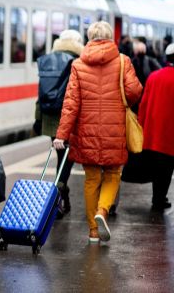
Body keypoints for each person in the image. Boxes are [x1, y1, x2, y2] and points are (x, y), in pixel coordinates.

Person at [54, 21, 142, 243]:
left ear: (89, 37)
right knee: (113, 174)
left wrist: (61, 135)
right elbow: (134, 93)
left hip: (86, 131)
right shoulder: (123, 61)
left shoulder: (78, 64)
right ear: (110, 37)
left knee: (91, 179)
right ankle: (102, 211)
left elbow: (71, 104)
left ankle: (93, 231)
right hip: (115, 129)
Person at [35, 30, 84, 219]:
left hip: (50, 120)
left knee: (62, 157)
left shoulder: (47, 60)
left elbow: (41, 93)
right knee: (67, 161)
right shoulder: (78, 62)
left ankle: (61, 195)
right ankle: (59, 195)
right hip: (69, 119)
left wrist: (38, 119)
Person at [138, 43, 174, 212]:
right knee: (167, 168)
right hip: (170, 132)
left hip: (154, 132)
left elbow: (143, 105)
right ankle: (160, 198)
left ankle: (158, 198)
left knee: (160, 167)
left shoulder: (154, 76)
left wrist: (141, 126)